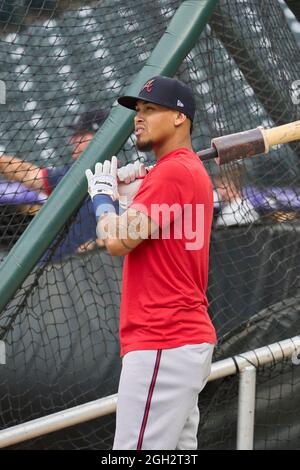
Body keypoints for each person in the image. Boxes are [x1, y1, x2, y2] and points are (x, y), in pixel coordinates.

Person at [85, 75, 217, 450]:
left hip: (164, 337)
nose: (138, 118)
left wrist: (104, 200)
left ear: (179, 117)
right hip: (178, 340)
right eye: (137, 110)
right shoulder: (180, 171)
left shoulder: (174, 171)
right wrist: (131, 196)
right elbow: (148, 232)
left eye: (150, 109)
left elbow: (117, 240)